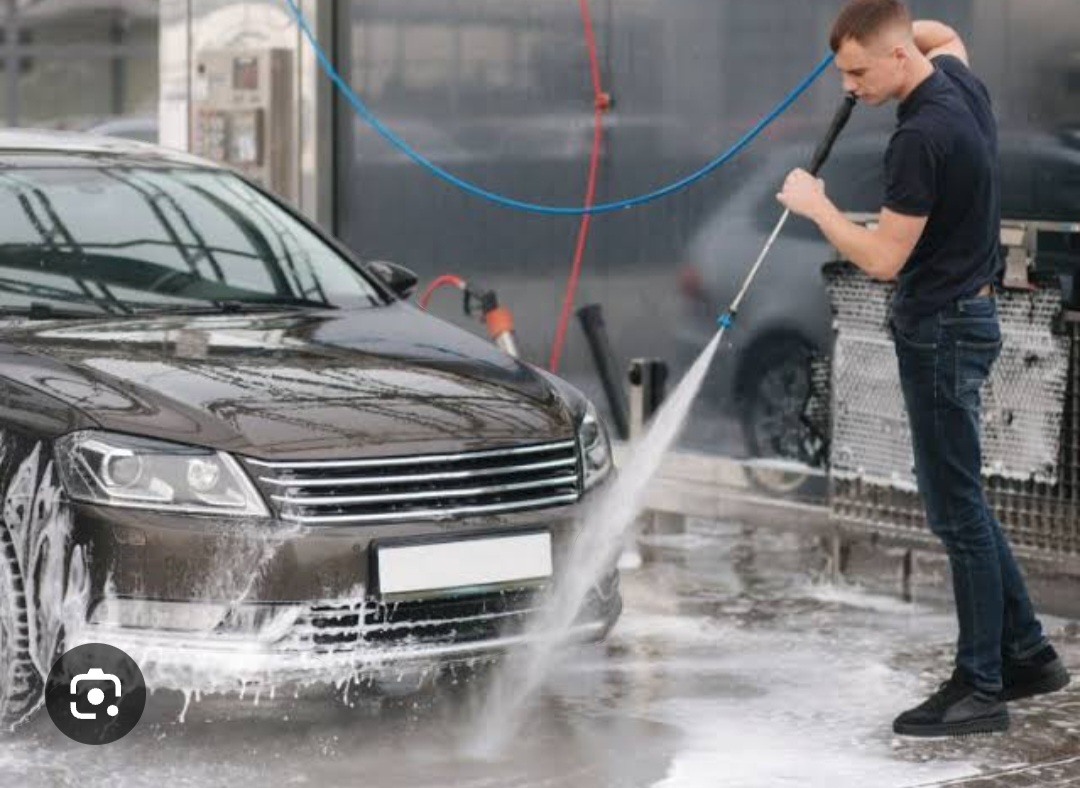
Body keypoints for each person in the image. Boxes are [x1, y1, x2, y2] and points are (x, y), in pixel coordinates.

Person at [776, 0, 1070, 737]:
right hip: (969, 317)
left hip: (939, 333)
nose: (849, 87)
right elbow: (945, 35)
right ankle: (1028, 652)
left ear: (898, 57)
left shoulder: (918, 139)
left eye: (857, 70)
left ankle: (980, 688)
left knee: (956, 514)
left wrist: (817, 205)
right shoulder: (958, 86)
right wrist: (885, 36)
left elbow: (881, 258)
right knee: (965, 500)